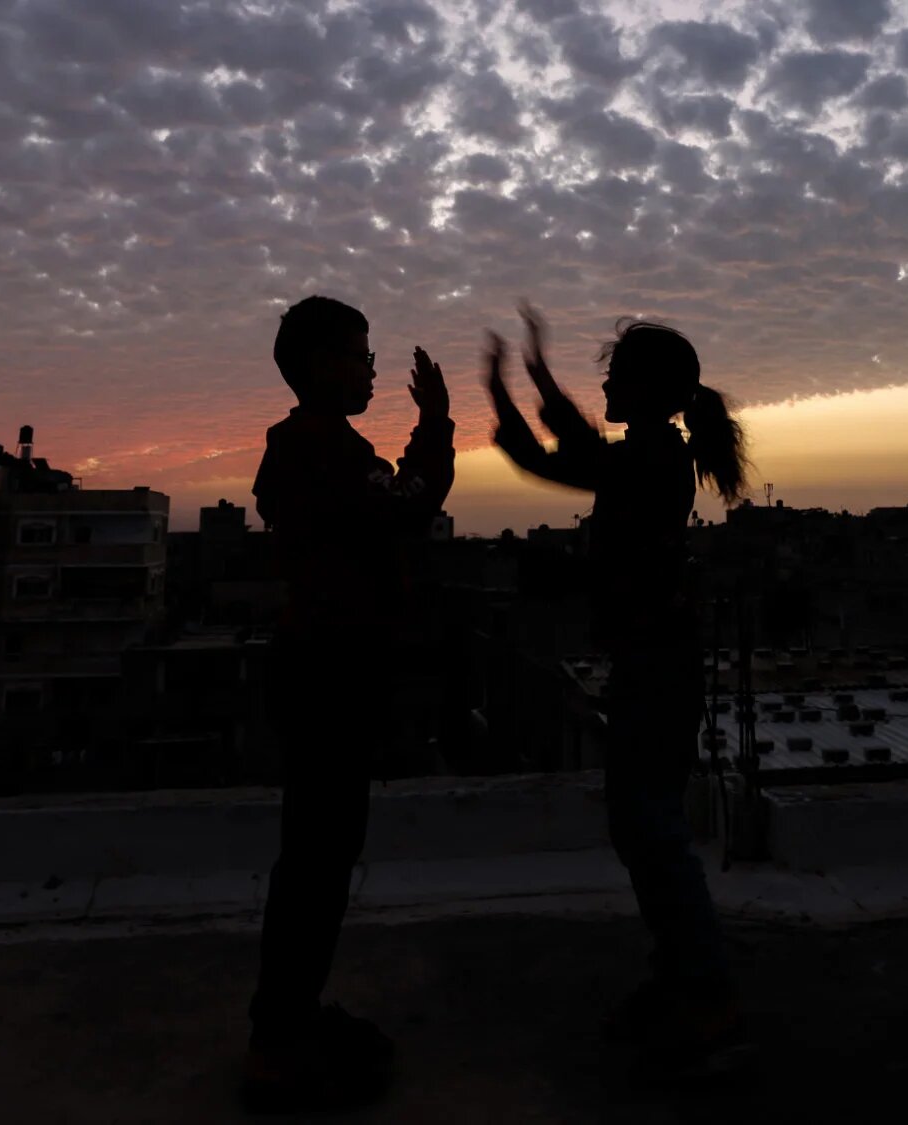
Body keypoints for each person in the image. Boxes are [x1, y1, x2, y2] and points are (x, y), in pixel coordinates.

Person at [486, 305, 754, 1082]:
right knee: (644, 830)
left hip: (658, 668)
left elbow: (554, 459)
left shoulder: (650, 460)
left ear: (647, 390)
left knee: (653, 831)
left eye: (616, 371)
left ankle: (706, 992)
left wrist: (515, 382)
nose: (604, 380)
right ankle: (684, 978)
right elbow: (570, 448)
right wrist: (527, 376)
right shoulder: (648, 452)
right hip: (654, 663)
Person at [242, 295, 453, 1112]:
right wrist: (435, 424)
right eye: (363, 355)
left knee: (318, 858)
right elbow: (409, 503)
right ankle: (279, 1039)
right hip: (329, 675)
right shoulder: (318, 450)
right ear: (325, 363)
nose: (372, 369)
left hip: (325, 671)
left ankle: (287, 1020)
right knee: (318, 863)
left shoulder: (311, 449)